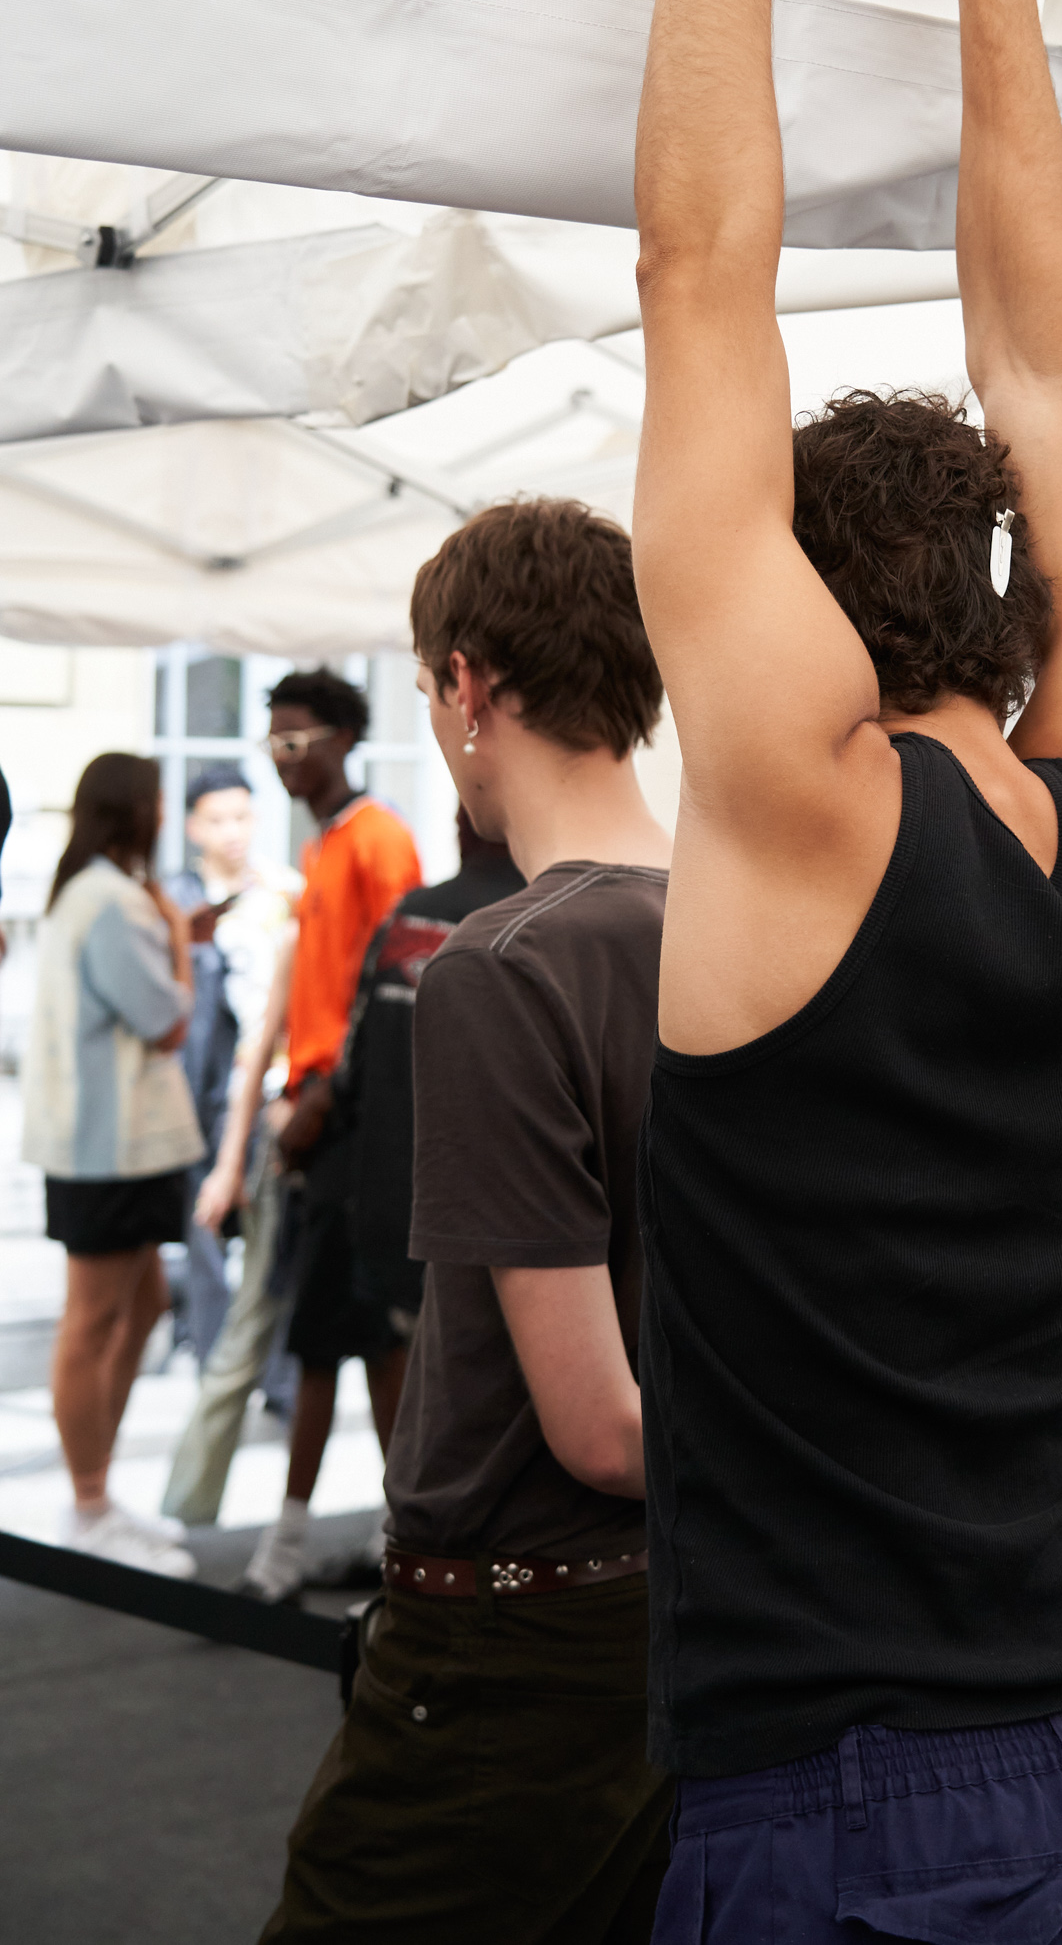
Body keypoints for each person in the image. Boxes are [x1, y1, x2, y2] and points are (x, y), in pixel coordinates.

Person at [629, 0, 1062, 1938]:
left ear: (806, 610)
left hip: (861, 1813)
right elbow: (1046, 379)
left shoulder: (796, 796)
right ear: (1005, 610)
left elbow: (704, 285)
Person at [265, 497, 675, 1943]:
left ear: (466, 683)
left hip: (513, 1629)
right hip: (676, 1620)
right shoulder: (731, 931)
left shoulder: (503, 966)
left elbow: (597, 1426)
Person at [169, 671, 420, 1593]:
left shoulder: (374, 840)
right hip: (322, 1112)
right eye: (274, 742)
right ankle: (384, 1535)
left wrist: (324, 1098)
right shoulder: (324, 848)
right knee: (347, 1333)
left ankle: (301, 1541)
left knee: (337, 1333)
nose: (284, 759)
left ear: (344, 739)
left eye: (297, 741)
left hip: (348, 1117)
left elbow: (393, 981)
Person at [23, 753, 201, 1577]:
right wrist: (175, 935)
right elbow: (167, 1020)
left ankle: (94, 1489)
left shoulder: (80, 893)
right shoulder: (119, 903)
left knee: (139, 1303)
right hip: (112, 1146)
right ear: (138, 812)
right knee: (93, 1319)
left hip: (100, 1142)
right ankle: (89, 1504)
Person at [337, 805, 523, 1338]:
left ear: (460, 830)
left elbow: (355, 1059)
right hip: (494, 1227)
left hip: (394, 1205)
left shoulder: (408, 916)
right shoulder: (536, 922)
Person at [165, 766, 298, 1367]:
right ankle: (216, 1364)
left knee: (269, 1237)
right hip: (197, 1096)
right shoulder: (175, 902)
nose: (233, 831)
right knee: (206, 1236)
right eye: (218, 819)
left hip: (267, 1086)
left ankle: (268, 1373)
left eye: (242, 816)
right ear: (193, 825)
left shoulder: (282, 892)